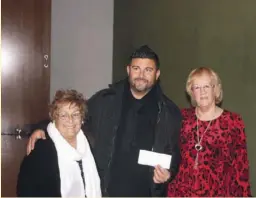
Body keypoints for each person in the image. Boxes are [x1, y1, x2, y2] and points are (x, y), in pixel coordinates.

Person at [26, 45, 182, 197]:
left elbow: (173, 152)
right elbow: (73, 116)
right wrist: (42, 127)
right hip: (105, 192)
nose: (141, 74)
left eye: (148, 70)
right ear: (128, 70)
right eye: (136, 68)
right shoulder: (105, 100)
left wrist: (169, 173)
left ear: (157, 73)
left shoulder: (169, 112)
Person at [167, 67, 251, 197]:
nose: (203, 92)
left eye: (206, 86)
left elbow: (241, 168)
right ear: (191, 92)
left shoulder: (233, 122)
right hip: (180, 193)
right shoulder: (181, 118)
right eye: (197, 87)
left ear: (215, 89)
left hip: (218, 193)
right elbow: (169, 151)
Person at [17, 89, 101, 197]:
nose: (70, 120)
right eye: (63, 115)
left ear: (82, 119)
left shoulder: (90, 142)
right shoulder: (41, 148)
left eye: (75, 114)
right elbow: (25, 190)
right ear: (54, 118)